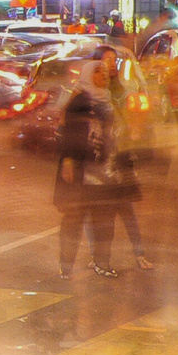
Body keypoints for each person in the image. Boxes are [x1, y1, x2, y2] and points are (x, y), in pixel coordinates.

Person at [55, 61, 121, 278]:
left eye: (104, 72)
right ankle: (66, 266)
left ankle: (103, 262)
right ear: (88, 75)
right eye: (97, 72)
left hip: (104, 169)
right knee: (74, 218)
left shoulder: (108, 99)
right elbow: (68, 132)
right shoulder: (80, 99)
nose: (103, 75)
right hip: (82, 170)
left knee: (104, 219)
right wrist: (68, 160)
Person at [97, 46, 152, 270]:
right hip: (100, 159)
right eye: (106, 60)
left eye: (113, 60)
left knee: (126, 208)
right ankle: (98, 257)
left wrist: (134, 131)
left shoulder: (121, 87)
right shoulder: (92, 91)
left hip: (121, 155)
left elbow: (133, 115)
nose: (111, 64)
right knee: (98, 213)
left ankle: (139, 253)